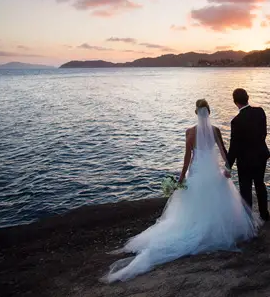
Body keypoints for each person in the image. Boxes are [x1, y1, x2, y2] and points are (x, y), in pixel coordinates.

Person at [103, 99, 259, 283]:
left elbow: (187, 159)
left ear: (196, 113)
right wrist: (228, 169)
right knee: (217, 199)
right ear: (208, 112)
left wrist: (181, 178)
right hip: (212, 172)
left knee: (192, 204)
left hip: (197, 170)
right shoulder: (215, 130)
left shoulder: (190, 132)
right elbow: (224, 151)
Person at [227, 88, 270, 222]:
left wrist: (228, 166)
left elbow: (234, 147)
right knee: (260, 184)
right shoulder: (260, 112)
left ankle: (248, 219)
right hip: (261, 156)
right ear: (248, 97)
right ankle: (265, 215)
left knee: (245, 189)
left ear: (235, 102)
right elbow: (264, 133)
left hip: (245, 161)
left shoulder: (236, 121)